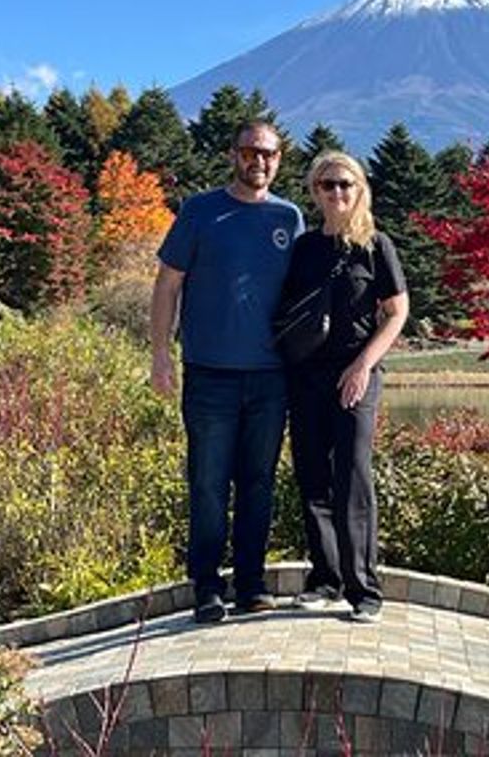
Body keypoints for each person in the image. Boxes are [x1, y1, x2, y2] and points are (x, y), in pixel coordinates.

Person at [150, 120, 304, 624]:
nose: (260, 162)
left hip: (271, 376)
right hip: (209, 374)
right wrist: (159, 356)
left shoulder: (290, 217)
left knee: (259, 481)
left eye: (270, 154)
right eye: (250, 152)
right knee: (209, 482)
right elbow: (168, 285)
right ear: (233, 155)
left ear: (280, 159)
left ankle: (252, 582)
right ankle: (207, 586)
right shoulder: (200, 211)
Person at [279, 151, 408, 624]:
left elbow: (396, 313)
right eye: (327, 185)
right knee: (312, 476)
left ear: (360, 190)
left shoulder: (376, 246)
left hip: (357, 374)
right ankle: (326, 579)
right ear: (314, 191)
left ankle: (364, 590)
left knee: (352, 477)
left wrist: (362, 366)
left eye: (345, 184)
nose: (337, 193)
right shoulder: (304, 248)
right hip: (306, 377)